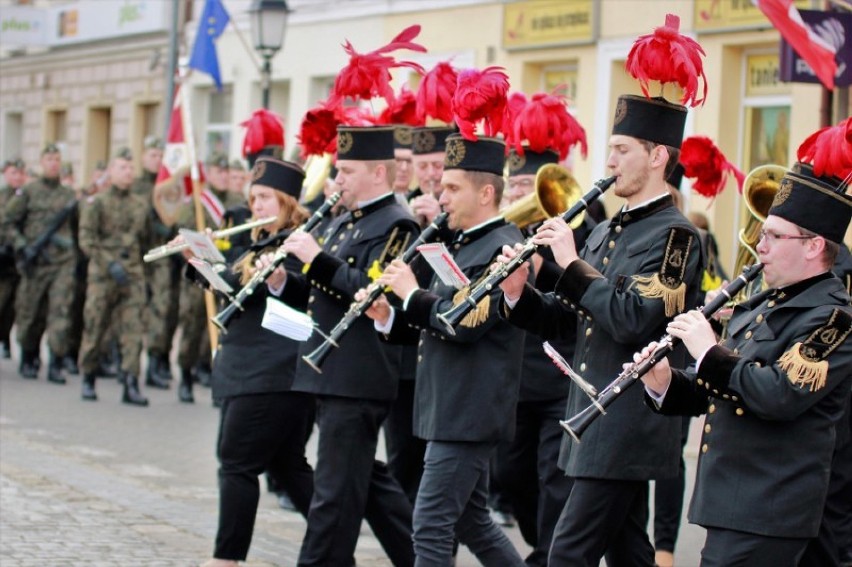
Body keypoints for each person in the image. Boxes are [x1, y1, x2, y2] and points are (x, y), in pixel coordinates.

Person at [497, 93, 705, 566]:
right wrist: (516, 291)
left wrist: (569, 262)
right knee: (628, 551)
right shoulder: (605, 230)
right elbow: (567, 321)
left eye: (621, 149)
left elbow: (633, 317)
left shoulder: (677, 238)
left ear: (657, 157)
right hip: (594, 416)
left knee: (567, 554)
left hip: (626, 423)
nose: (608, 162)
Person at [637, 162, 852, 566]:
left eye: (773, 235)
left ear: (813, 246)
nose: (761, 246)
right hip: (733, 504)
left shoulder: (834, 319)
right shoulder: (761, 306)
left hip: (770, 508)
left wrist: (707, 352)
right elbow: (722, 392)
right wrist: (665, 381)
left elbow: (778, 394)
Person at [364, 133, 528, 566]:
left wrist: (412, 293)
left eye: (454, 188)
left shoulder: (503, 247)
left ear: (487, 193)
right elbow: (432, 323)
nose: (441, 195)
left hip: (469, 410)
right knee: (471, 522)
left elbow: (464, 323)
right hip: (449, 405)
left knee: (431, 522)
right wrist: (387, 314)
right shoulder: (462, 241)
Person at [279, 125, 417, 567]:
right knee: (367, 483)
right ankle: (423, 558)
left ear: (379, 174)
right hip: (330, 369)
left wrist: (315, 259)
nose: (337, 179)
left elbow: (373, 291)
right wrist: (285, 281)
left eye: (347, 171)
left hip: (359, 373)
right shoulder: (342, 219)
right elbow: (320, 293)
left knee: (334, 493)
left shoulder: (398, 224)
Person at [179, 157, 316, 567]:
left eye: (263, 197)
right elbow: (233, 288)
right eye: (252, 198)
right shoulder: (256, 240)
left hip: (272, 372)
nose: (255, 205)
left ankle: (227, 559)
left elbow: (285, 289)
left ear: (287, 201)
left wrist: (219, 265)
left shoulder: (299, 242)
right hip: (256, 370)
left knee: (236, 462)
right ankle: (336, 542)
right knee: (288, 466)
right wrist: (200, 259)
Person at [496, 145, 597, 565]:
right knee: (510, 475)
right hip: (517, 376)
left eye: (527, 186)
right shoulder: (504, 229)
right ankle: (544, 542)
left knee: (554, 478)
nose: (520, 194)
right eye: (514, 185)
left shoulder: (582, 229)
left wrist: (546, 267)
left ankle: (546, 556)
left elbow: (587, 286)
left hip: (560, 371)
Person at [77, 148, 152, 405]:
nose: (128, 172)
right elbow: (87, 239)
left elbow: (146, 242)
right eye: (122, 167)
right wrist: (109, 264)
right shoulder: (97, 202)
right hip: (103, 274)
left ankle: (130, 381)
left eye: (131, 168)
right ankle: (88, 375)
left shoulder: (140, 204)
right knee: (95, 325)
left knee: (133, 330)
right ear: (111, 171)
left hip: (131, 275)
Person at [4, 143, 79, 383]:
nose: (53, 163)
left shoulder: (69, 196)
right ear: (41, 162)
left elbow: (78, 229)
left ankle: (55, 362)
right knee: (31, 313)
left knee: (60, 312)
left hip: (62, 263)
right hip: (35, 263)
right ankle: (29, 355)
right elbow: (7, 222)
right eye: (49, 159)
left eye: (57, 159)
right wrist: (22, 245)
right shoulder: (28, 192)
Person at [175, 153, 242, 397]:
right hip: (199, 270)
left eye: (227, 172)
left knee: (215, 326)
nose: (224, 176)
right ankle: (184, 373)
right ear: (210, 173)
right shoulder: (197, 202)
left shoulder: (237, 200)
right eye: (219, 171)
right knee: (192, 325)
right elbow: (182, 235)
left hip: (224, 270)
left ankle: (211, 370)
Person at [1, 157, 26, 360]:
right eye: (13, 173)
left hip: (19, 261)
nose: (17, 177)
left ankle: (6, 339)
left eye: (20, 173)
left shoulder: (27, 197)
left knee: (13, 307)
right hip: (2, 259)